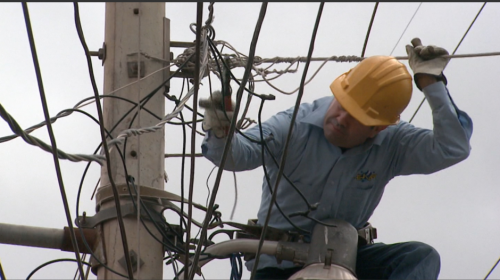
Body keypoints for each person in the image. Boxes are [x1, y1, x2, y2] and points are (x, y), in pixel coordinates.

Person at [200, 38, 473, 279]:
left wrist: (431, 84)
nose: (341, 119)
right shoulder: (293, 125)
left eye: (356, 118)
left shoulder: (393, 143)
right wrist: (221, 129)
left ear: (378, 128)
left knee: (419, 258)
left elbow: (452, 148)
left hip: (347, 261)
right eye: (342, 104)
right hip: (279, 265)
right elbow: (237, 155)